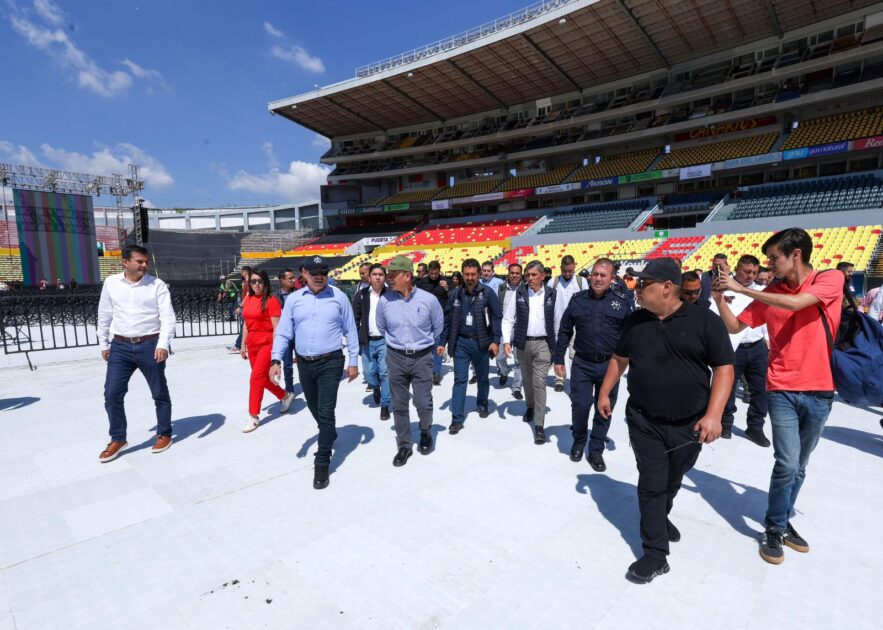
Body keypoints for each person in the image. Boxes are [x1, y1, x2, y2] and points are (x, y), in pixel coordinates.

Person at [597, 257, 734, 583]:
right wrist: (604, 393)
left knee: (673, 479)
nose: (638, 290)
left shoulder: (705, 322)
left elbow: (725, 368)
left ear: (667, 288)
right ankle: (655, 553)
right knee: (652, 483)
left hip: (690, 426)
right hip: (644, 420)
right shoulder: (635, 321)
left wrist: (714, 415)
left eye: (644, 284)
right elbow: (620, 359)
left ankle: (661, 515)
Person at [712, 227, 843, 565]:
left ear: (795, 255)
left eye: (774, 258)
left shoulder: (828, 280)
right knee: (786, 462)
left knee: (800, 466)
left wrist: (743, 288)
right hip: (781, 387)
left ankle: (783, 524)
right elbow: (734, 327)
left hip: (820, 390)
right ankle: (774, 527)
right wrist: (718, 299)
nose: (769, 265)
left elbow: (799, 303)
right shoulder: (770, 292)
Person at [269, 258, 360, 490]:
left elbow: (351, 330)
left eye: (323, 271)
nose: (319, 275)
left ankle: (322, 461)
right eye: (314, 271)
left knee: (326, 410)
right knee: (313, 406)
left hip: (331, 361)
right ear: (304, 274)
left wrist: (352, 361)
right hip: (305, 364)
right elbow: (283, 332)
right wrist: (276, 359)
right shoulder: (294, 300)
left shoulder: (339, 297)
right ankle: (328, 433)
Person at [96, 245, 177, 463]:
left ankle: (164, 433)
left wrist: (163, 344)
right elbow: (104, 314)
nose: (144, 265)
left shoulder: (156, 285)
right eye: (139, 261)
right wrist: (104, 343)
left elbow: (167, 317)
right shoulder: (111, 283)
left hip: (150, 345)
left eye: (146, 262)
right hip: (120, 346)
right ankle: (118, 438)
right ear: (125, 262)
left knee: (159, 392)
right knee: (112, 394)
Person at [555, 258, 632, 471]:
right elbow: (565, 330)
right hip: (583, 363)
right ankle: (579, 440)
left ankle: (596, 448)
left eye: (603, 275)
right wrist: (559, 358)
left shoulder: (622, 301)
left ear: (612, 278)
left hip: (611, 366)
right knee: (580, 405)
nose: (598, 278)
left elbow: (631, 334)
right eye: (595, 274)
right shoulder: (578, 300)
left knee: (604, 408)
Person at [376, 256, 445, 466]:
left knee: (423, 401)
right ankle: (404, 445)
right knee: (399, 403)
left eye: (392, 275)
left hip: (422, 357)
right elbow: (381, 327)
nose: (388, 279)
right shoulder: (385, 301)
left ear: (407, 276)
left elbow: (438, 327)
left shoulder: (428, 300)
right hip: (395, 356)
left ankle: (425, 431)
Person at [439, 258, 502, 434]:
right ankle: (457, 418)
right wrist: (442, 342)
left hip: (482, 342)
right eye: (467, 274)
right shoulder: (455, 295)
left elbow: (497, 317)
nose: (470, 277)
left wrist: (495, 341)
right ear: (462, 274)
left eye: (473, 274)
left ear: (479, 274)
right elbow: (447, 320)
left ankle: (482, 404)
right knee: (460, 379)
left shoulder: (488, 293)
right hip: (461, 343)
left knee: (482, 377)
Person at [502, 260, 556, 445]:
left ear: (543, 275)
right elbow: (508, 319)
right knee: (527, 379)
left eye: (533, 275)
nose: (529, 278)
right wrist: (507, 341)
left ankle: (540, 426)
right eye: (528, 275)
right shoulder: (520, 293)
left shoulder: (551, 294)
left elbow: (557, 321)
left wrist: (556, 346)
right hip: (523, 344)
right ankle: (530, 406)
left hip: (543, 344)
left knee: (539, 382)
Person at [718, 255, 770, 447]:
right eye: (746, 271)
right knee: (728, 388)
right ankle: (725, 424)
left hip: (757, 347)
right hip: (733, 346)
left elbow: (766, 319)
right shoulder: (723, 288)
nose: (750, 276)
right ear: (737, 269)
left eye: (754, 273)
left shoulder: (762, 292)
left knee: (760, 390)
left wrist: (767, 340)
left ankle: (755, 427)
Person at [241, 270, 295, 432]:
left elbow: (276, 329)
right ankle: (284, 396)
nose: (256, 284)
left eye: (259, 281)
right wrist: (243, 344)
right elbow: (246, 324)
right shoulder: (248, 298)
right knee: (262, 379)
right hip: (252, 343)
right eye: (253, 281)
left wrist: (276, 354)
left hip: (267, 343)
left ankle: (253, 415)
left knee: (255, 378)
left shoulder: (272, 301)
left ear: (265, 282)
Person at [353, 263, 391, 420]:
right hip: (367, 340)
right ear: (369, 277)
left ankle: (385, 405)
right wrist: (355, 338)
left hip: (385, 341)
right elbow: (355, 318)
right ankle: (375, 387)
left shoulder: (391, 294)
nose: (377, 277)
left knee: (385, 373)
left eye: (380, 275)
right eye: (374, 274)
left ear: (385, 277)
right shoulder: (361, 294)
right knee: (369, 373)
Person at [551, 255, 587, 392]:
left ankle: (575, 380)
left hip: (576, 326)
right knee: (558, 353)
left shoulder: (581, 281)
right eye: (565, 271)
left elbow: (586, 303)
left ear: (574, 267)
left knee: (574, 354)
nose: (567, 273)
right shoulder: (553, 282)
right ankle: (559, 379)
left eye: (570, 271)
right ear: (560, 268)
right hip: (557, 325)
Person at [415, 260, 449, 385]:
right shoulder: (422, 282)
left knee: (438, 346)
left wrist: (446, 288)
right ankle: (423, 370)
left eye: (436, 273)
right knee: (423, 347)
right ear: (428, 271)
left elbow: (451, 296)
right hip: (424, 320)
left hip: (439, 320)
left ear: (439, 271)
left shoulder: (445, 281)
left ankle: (436, 372)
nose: (434, 275)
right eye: (431, 273)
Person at [496, 263, 524, 400]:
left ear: (521, 274)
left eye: (517, 273)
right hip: (505, 327)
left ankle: (516, 387)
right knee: (500, 357)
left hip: (520, 328)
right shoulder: (501, 288)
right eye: (512, 272)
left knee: (519, 360)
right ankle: (504, 371)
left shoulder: (526, 288)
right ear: (508, 273)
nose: (514, 275)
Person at [274, 268, 299, 395]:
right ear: (282, 280)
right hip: (285, 335)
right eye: (290, 278)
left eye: (293, 277)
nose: (293, 280)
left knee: (304, 362)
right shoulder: (274, 297)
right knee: (287, 364)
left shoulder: (299, 294)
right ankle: (289, 389)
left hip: (299, 334)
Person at [230, 266, 252, 353]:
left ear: (245, 273)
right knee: (246, 327)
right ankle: (240, 344)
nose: (241, 274)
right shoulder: (247, 282)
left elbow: (248, 295)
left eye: (242, 272)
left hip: (248, 308)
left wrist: (240, 306)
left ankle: (238, 345)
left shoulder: (248, 283)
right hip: (248, 307)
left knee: (245, 327)